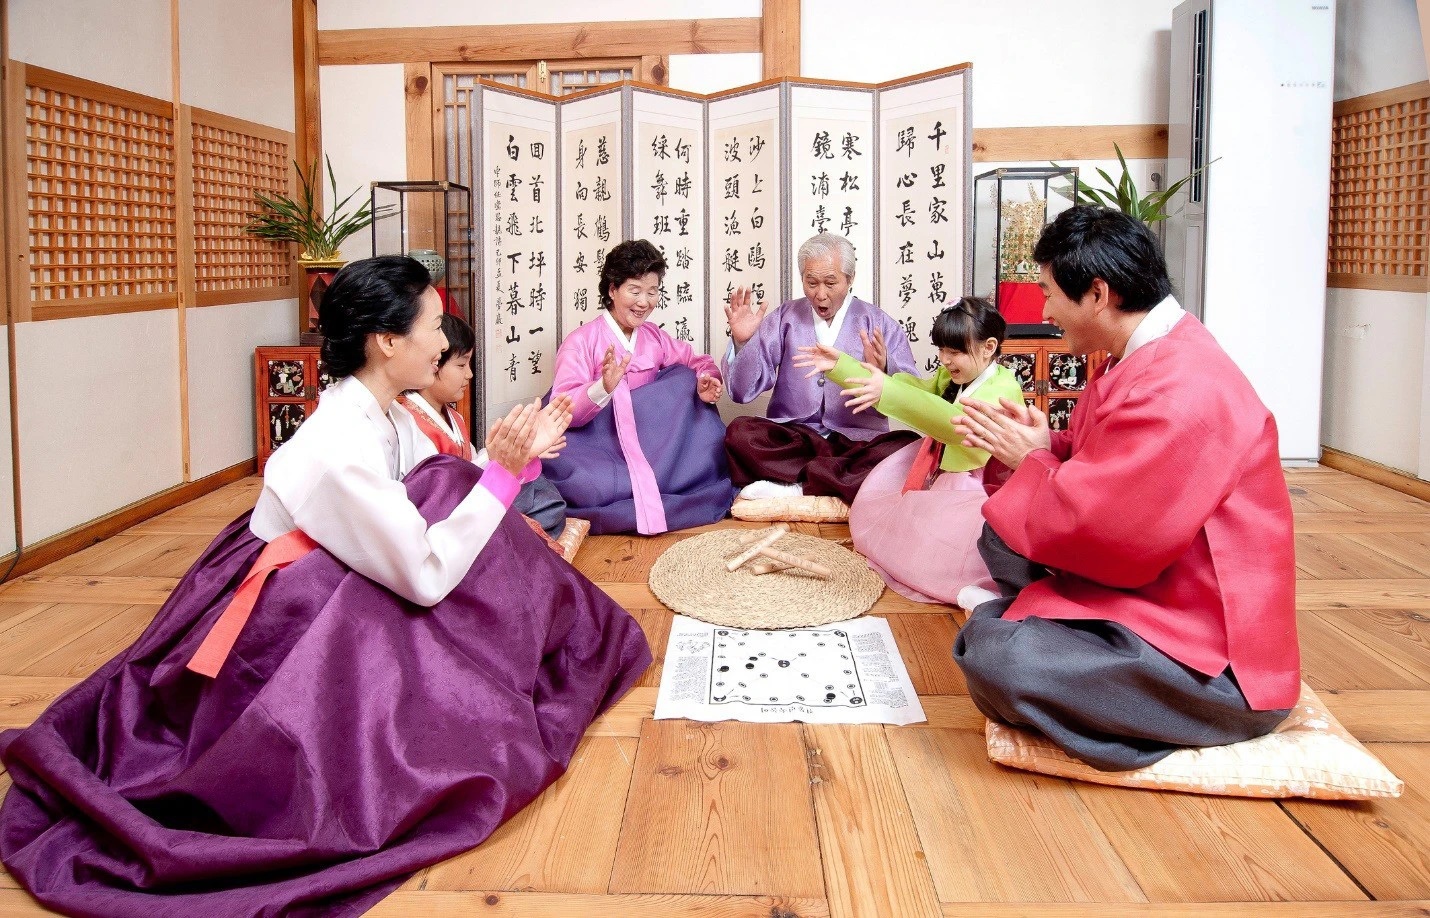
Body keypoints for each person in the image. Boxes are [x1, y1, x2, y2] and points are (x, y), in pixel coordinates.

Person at [0, 255, 652, 915]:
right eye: (433, 325)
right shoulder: (339, 442)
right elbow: (426, 574)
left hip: (334, 585)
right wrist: (502, 476)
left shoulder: (389, 413)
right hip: (282, 623)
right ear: (387, 340)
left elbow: (442, 497)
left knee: (455, 486)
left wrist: (514, 460)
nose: (442, 341)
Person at [950, 206, 1298, 771]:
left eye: (1048, 294)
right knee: (1000, 535)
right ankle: (1065, 633)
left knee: (999, 659)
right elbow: (1108, 465)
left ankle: (1082, 651)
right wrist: (1046, 444)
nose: (1044, 311)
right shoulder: (1143, 355)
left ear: (1097, 293)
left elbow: (1111, 530)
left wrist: (1032, 460)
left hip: (1214, 658)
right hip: (1153, 585)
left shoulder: (1183, 386)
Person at [793, 297, 1023, 603]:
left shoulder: (1003, 389)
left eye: (954, 352)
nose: (944, 360)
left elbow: (953, 422)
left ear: (989, 347)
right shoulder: (954, 376)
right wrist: (843, 366)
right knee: (907, 524)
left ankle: (971, 589)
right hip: (943, 470)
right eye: (941, 350)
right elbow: (918, 392)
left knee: (950, 545)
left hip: (980, 485)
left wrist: (886, 390)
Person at [543, 239, 735, 535]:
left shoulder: (654, 336)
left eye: (652, 292)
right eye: (635, 290)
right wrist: (602, 387)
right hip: (598, 446)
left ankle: (656, 481)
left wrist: (705, 381)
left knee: (683, 378)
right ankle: (639, 487)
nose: (644, 302)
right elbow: (563, 407)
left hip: (653, 443)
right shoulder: (580, 342)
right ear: (612, 289)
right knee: (583, 485)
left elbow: (695, 360)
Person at [722, 232, 921, 504]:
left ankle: (795, 487)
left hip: (856, 442)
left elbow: (912, 398)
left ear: (850, 279)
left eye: (830, 282)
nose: (821, 294)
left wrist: (883, 374)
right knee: (740, 433)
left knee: (907, 448)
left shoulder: (879, 323)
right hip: (795, 437)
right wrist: (744, 342)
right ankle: (833, 481)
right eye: (812, 282)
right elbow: (741, 392)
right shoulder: (785, 317)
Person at [400, 312, 568, 542]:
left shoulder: (454, 417)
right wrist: (504, 457)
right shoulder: (411, 421)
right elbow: (437, 497)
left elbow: (471, 466)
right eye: (461, 365)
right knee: (544, 506)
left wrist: (520, 451)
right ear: (434, 363)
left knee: (542, 491)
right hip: (449, 519)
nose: (469, 374)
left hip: (469, 500)